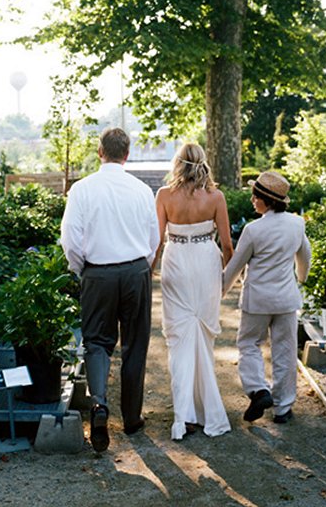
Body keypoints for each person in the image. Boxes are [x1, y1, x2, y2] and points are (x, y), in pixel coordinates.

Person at [60, 127, 160, 452]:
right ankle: (132, 418)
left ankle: (100, 404)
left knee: (97, 343)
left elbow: (71, 238)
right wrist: (139, 265)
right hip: (135, 271)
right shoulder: (143, 190)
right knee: (135, 344)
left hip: (97, 274)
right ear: (127, 154)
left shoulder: (82, 189)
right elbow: (153, 240)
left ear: (99, 152)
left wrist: (82, 270)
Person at [154, 143, 233, 440]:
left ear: (177, 164)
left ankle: (184, 415)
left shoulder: (164, 196)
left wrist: (149, 271)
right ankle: (203, 410)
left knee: (179, 339)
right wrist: (227, 280)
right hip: (205, 264)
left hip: (176, 264)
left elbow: (157, 241)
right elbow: (227, 246)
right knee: (202, 335)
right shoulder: (216, 197)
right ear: (203, 163)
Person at [222, 171, 311, 424]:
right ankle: (283, 408)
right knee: (284, 350)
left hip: (258, 301)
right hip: (286, 299)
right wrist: (301, 279)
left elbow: (235, 266)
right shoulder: (297, 224)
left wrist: (221, 290)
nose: (252, 200)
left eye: (255, 196)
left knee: (249, 344)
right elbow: (305, 255)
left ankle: (258, 390)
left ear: (266, 200)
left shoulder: (253, 230)